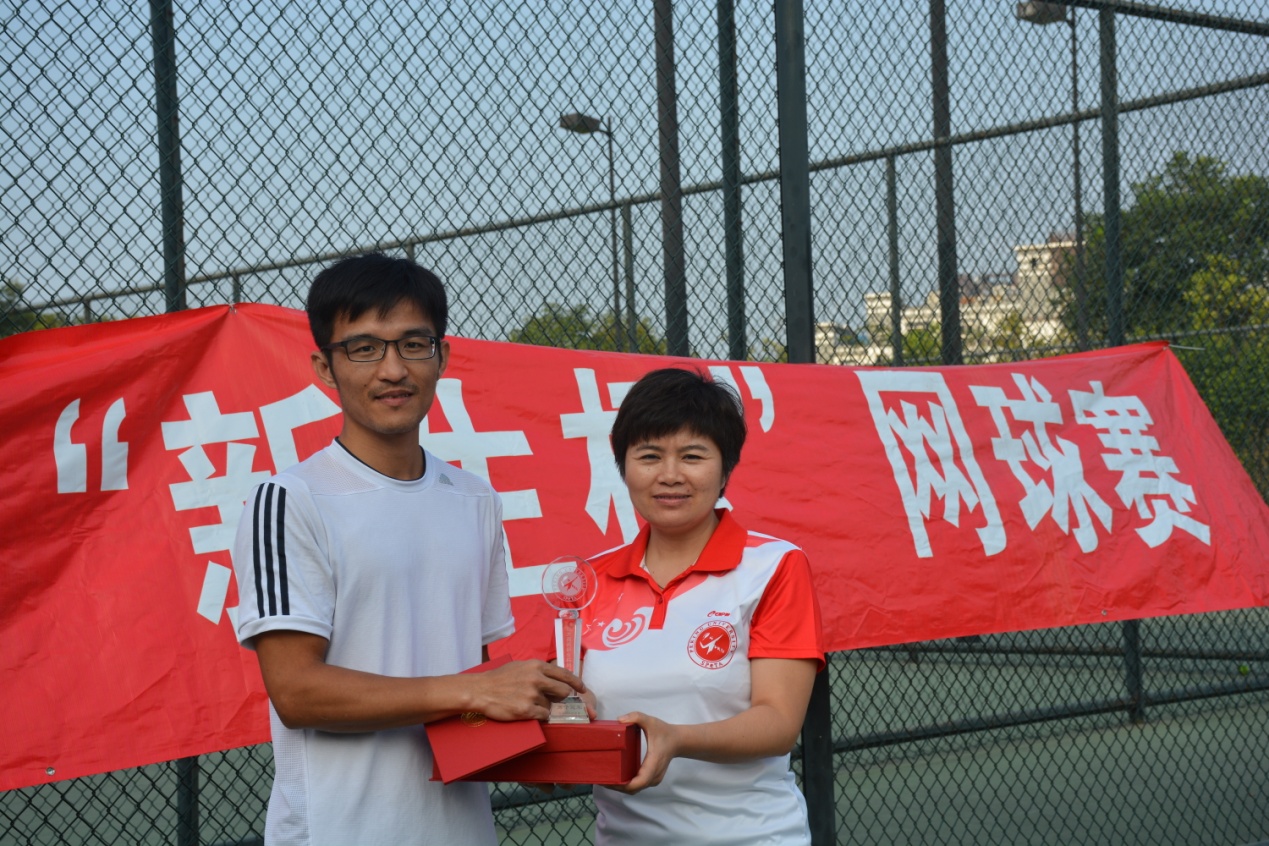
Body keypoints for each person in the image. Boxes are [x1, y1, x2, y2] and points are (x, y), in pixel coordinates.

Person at [231, 252, 585, 846]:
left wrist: (536, 736)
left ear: (441, 357)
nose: (393, 369)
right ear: (324, 367)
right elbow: (296, 692)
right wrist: (476, 690)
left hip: (462, 830)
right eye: (364, 348)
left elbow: (472, 682)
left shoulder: (474, 498)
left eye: (413, 345)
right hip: (339, 832)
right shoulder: (290, 499)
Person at [579, 367, 825, 845]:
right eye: (649, 456)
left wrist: (678, 739)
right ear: (623, 464)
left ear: (725, 467)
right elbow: (570, 698)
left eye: (692, 456)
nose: (670, 475)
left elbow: (778, 722)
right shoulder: (587, 580)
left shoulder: (774, 566)